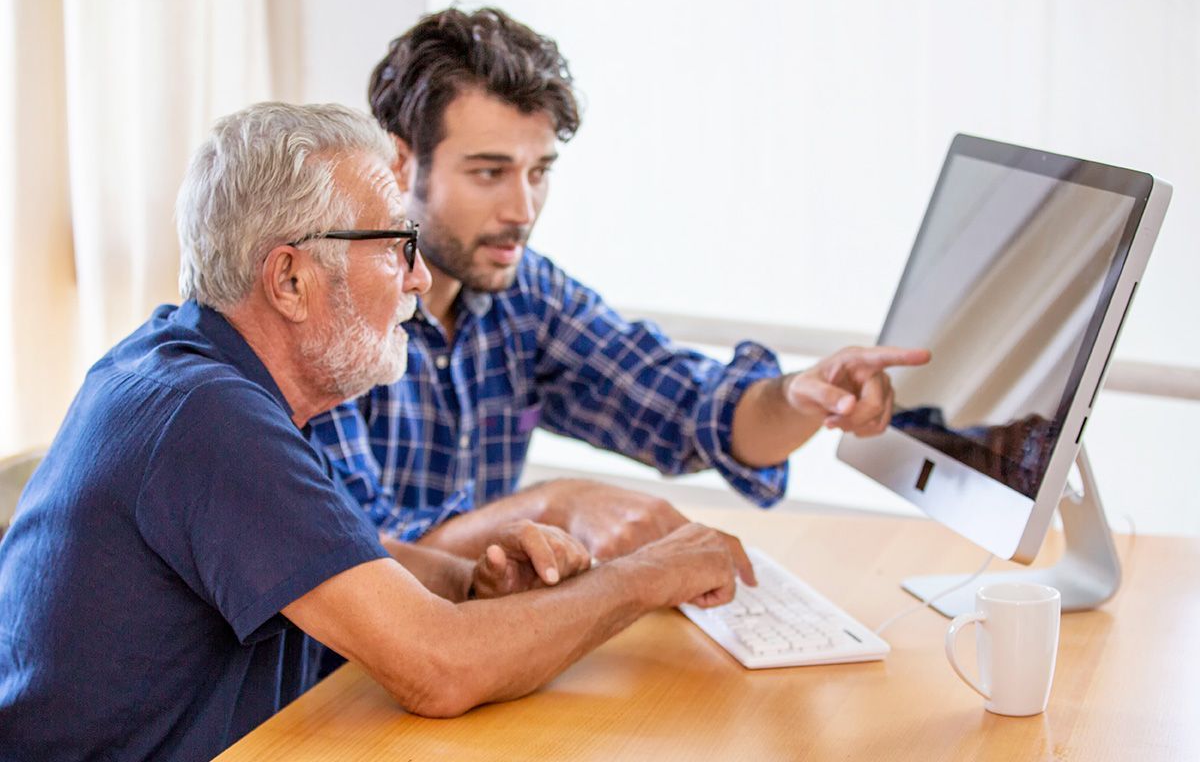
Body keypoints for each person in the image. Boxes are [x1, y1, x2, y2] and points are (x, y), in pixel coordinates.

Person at [0, 103, 749, 760]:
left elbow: (335, 560)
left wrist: (470, 581)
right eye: (395, 248)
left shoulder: (194, 370)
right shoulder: (207, 420)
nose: (420, 279)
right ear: (290, 280)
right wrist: (650, 574)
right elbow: (439, 670)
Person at [309, 7, 929, 561]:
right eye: (490, 173)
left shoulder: (526, 295)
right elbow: (361, 557)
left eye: (539, 172)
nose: (523, 209)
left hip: (478, 637)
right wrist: (555, 505)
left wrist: (799, 395)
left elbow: (691, 411)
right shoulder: (329, 316)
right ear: (399, 162)